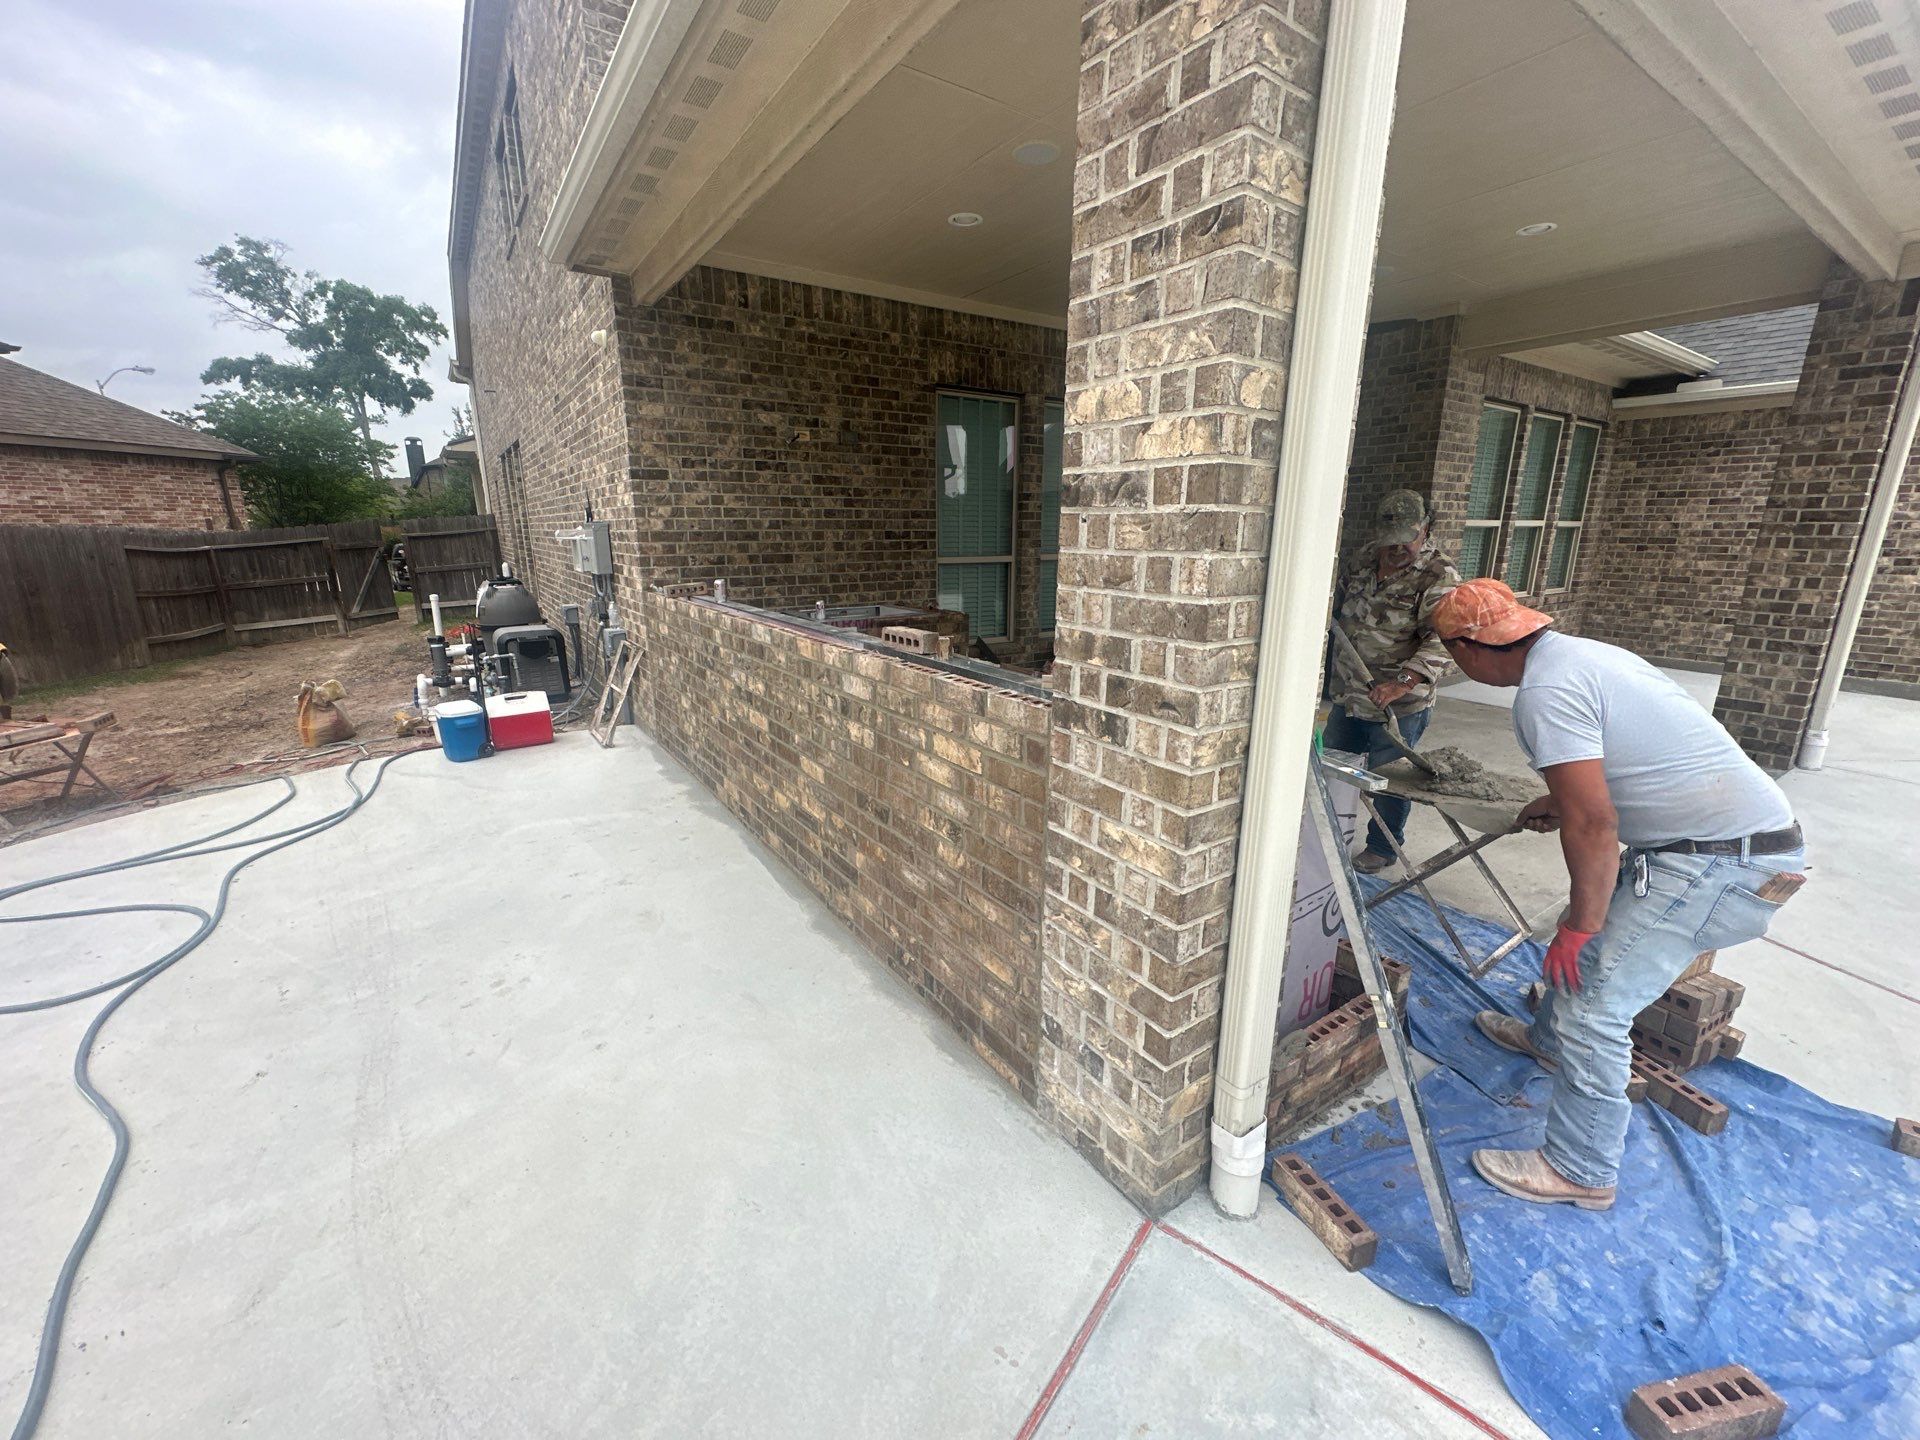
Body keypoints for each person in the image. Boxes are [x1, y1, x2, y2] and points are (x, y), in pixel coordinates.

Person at [1429, 579, 1806, 1211]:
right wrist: (1563, 800)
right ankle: (1548, 1044)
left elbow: (1596, 825)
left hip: (1716, 868)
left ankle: (1581, 1168)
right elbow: (1644, 757)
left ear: (1469, 649)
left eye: (1449, 654)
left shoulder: (1544, 694)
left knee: (1594, 1004)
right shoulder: (1583, 656)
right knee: (1586, 950)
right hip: (1731, 843)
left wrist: (1581, 919)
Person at [1324, 489, 1461, 872]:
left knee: (1391, 779)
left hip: (1399, 702)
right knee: (1337, 767)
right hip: (1351, 692)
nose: (1398, 548)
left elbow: (1444, 638)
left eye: (1408, 538)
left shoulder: (1439, 575)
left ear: (1426, 530)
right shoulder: (1364, 558)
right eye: (1391, 539)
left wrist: (1403, 681)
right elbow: (1335, 605)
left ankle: (1383, 846)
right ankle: (1330, 837)